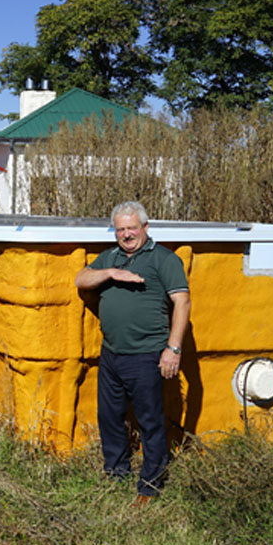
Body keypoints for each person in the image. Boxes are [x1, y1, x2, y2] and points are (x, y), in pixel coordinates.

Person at [74, 201, 190, 505]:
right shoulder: (110, 257)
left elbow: (182, 303)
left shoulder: (164, 259)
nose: (126, 234)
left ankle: (150, 485)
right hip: (112, 353)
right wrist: (111, 273)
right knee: (109, 417)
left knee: (150, 421)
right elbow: (81, 279)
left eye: (132, 228)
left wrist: (173, 349)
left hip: (147, 354)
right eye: (120, 229)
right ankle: (116, 473)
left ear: (145, 228)